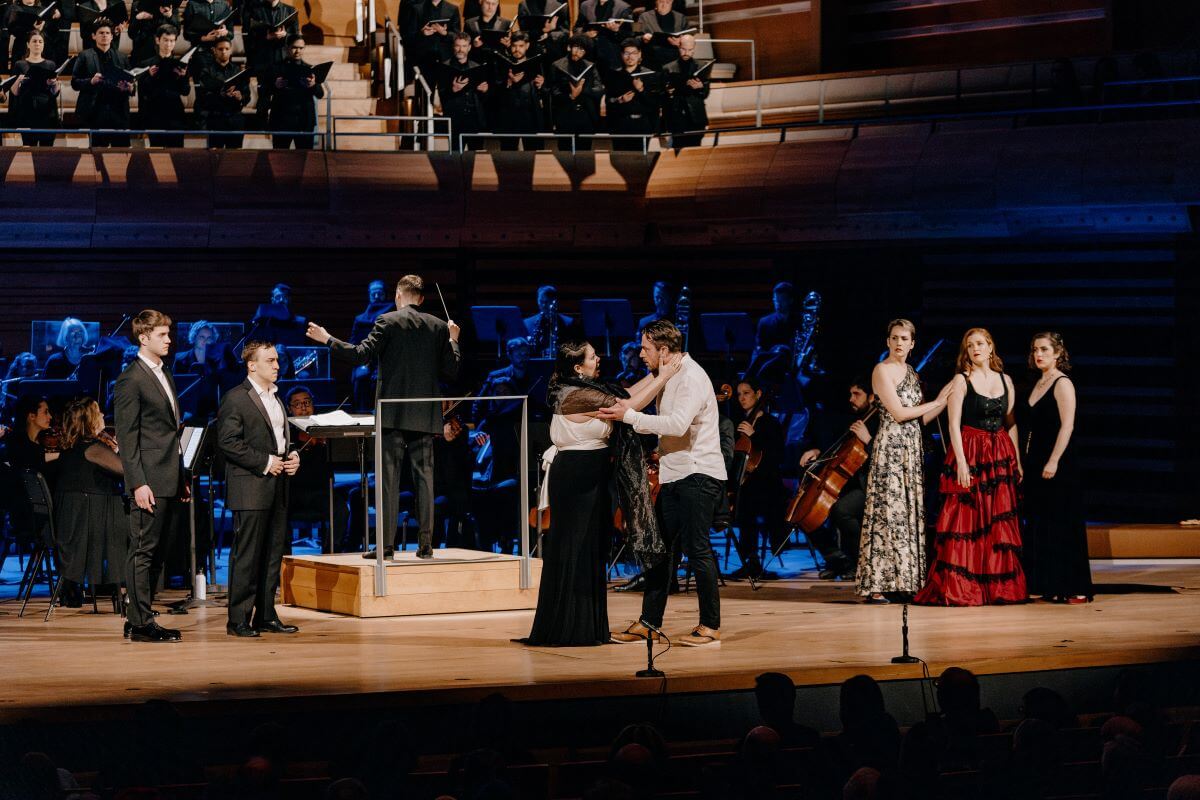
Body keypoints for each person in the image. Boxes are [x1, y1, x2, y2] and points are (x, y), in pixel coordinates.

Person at [524, 339, 676, 646]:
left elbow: (627, 394)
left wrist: (658, 370)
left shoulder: (581, 387)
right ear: (578, 367)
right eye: (593, 357)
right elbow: (628, 407)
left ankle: (587, 625)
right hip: (576, 478)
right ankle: (569, 627)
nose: (599, 360)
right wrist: (662, 377)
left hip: (591, 476)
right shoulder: (574, 394)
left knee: (591, 548)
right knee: (575, 547)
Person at [307, 274, 462, 559]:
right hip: (425, 416)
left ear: (398, 296)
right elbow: (451, 371)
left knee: (388, 481)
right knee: (425, 481)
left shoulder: (386, 321)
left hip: (392, 414)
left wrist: (327, 338)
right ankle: (426, 545)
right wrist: (453, 341)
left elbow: (360, 355)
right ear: (422, 299)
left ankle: (386, 547)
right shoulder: (439, 327)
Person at [601, 319, 727, 647]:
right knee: (662, 552)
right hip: (677, 474)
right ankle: (648, 622)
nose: (641, 353)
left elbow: (676, 424)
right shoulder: (668, 373)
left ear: (664, 350)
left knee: (698, 550)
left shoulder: (691, 377)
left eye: (645, 348)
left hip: (698, 474)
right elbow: (633, 401)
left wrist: (629, 419)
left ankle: (711, 627)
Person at [915, 327, 1026, 606]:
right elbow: (953, 424)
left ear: (990, 347)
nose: (975, 348)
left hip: (998, 452)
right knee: (967, 518)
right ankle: (965, 586)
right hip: (971, 450)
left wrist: (1017, 460)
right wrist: (962, 462)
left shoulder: (1006, 380)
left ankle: (999, 588)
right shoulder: (961, 380)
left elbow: (1010, 423)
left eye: (980, 343)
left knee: (996, 519)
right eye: (970, 345)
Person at [857, 319, 950, 603]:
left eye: (904, 338)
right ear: (888, 341)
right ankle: (877, 584)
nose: (899, 343)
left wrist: (946, 397)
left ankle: (904, 580)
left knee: (908, 513)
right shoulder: (881, 371)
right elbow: (898, 413)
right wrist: (935, 401)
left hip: (911, 448)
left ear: (912, 343)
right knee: (888, 512)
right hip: (891, 449)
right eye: (895, 338)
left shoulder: (910, 371)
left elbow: (920, 418)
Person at [217, 341, 302, 637]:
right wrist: (266, 462)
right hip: (251, 485)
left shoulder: (276, 398)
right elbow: (227, 442)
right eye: (271, 361)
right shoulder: (236, 398)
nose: (277, 365)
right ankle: (237, 618)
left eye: (277, 360)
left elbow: (280, 438)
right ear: (252, 365)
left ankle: (265, 615)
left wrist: (293, 456)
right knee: (248, 555)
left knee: (272, 553)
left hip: (277, 485)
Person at [113, 309, 184, 643]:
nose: (169, 340)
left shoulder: (163, 372)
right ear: (143, 338)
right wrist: (138, 482)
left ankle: (139, 616)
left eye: (169, 334)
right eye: (162, 335)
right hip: (149, 479)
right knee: (143, 550)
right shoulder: (131, 378)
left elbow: (168, 431)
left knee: (157, 552)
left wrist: (180, 475)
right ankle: (140, 622)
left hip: (168, 474)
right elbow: (128, 438)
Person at [1018, 332, 1092, 603]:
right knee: (1043, 523)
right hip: (1036, 459)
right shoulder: (1038, 383)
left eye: (1045, 350)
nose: (1039, 354)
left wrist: (1053, 460)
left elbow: (1067, 425)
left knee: (1064, 523)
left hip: (1060, 461)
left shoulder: (1062, 383)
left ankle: (1076, 587)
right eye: (1035, 349)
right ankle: (1050, 584)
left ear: (1058, 353)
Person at [52, 398, 126, 611]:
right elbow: (124, 470)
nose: (103, 415)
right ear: (90, 419)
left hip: (75, 521)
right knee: (137, 528)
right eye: (99, 412)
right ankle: (126, 592)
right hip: (91, 523)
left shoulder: (72, 447)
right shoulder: (92, 448)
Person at [801, 375, 878, 580]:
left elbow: (884, 457)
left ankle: (858, 562)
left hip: (870, 484)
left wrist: (868, 438)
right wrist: (818, 451)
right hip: (847, 482)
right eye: (850, 394)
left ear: (871, 397)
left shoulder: (879, 419)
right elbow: (837, 448)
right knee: (806, 511)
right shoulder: (851, 418)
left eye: (857, 394)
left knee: (841, 510)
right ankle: (838, 560)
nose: (851, 399)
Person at [728, 377, 787, 581]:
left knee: (748, 501)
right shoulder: (739, 423)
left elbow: (777, 456)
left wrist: (755, 436)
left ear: (759, 394)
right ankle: (749, 560)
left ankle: (752, 560)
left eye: (746, 393)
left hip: (768, 483)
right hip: (747, 483)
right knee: (744, 498)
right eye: (739, 394)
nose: (741, 398)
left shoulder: (770, 423)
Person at [71, 18, 136, 147]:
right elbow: (74, 82)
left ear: (112, 36)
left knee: (121, 153)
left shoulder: (122, 57)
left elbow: (132, 84)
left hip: (118, 111)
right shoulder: (85, 55)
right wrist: (91, 81)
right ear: (94, 36)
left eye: (107, 33)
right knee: (97, 154)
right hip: (95, 111)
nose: (104, 36)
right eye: (101, 33)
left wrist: (129, 88)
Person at [267, 35, 326, 150]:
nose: (297, 51)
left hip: (304, 120)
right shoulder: (275, 68)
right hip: (282, 120)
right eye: (294, 47)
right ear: (287, 48)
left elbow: (320, 94)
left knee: (304, 159)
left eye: (301, 48)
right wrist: (275, 85)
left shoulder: (309, 69)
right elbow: (264, 91)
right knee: (280, 159)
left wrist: (313, 85)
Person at [137, 24, 189, 147]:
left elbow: (185, 91)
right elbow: (142, 92)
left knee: (176, 154)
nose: (168, 44)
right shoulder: (146, 64)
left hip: (175, 116)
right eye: (165, 40)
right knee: (157, 156)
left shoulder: (181, 64)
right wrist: (149, 76)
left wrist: (182, 77)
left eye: (172, 41)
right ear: (157, 40)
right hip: (154, 116)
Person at [494, 31, 546, 151]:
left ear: (527, 46)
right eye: (514, 46)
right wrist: (508, 82)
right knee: (508, 154)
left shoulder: (536, 64)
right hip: (509, 117)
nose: (517, 49)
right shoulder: (503, 64)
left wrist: (541, 84)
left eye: (521, 46)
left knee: (534, 153)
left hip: (530, 115)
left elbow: (544, 90)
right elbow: (496, 91)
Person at [194, 38, 250, 148]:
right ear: (214, 50)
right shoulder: (206, 71)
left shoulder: (238, 71)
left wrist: (240, 97)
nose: (223, 51)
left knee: (234, 158)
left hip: (235, 119)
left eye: (226, 49)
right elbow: (202, 98)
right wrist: (221, 95)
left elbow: (247, 96)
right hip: (215, 119)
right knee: (215, 158)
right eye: (220, 49)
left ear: (231, 50)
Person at [438, 32, 490, 152]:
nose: (460, 49)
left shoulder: (476, 66)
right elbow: (441, 95)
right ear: (453, 47)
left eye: (464, 46)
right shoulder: (444, 67)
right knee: (455, 156)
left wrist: (485, 90)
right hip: (455, 119)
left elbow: (485, 98)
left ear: (470, 47)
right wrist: (453, 90)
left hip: (475, 120)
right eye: (457, 46)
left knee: (476, 157)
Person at [7, 30, 61, 147]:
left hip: (47, 113)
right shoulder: (20, 65)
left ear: (43, 44)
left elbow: (55, 93)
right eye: (34, 41)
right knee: (28, 149)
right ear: (28, 44)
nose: (37, 44)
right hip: (27, 112)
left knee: (46, 151)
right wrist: (18, 80)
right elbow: (14, 92)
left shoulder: (50, 64)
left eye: (40, 41)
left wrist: (55, 83)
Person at [549, 35, 603, 150]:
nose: (578, 52)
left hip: (585, 114)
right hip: (565, 114)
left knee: (584, 153)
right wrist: (571, 96)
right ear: (569, 47)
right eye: (576, 48)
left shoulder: (590, 66)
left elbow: (598, 89)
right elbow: (554, 90)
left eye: (582, 50)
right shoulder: (557, 65)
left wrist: (582, 90)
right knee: (565, 151)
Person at [604, 39, 658, 151]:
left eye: (633, 53)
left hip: (642, 126)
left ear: (639, 54)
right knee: (621, 160)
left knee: (640, 162)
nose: (630, 57)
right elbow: (608, 101)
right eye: (626, 53)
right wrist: (620, 100)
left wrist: (641, 89)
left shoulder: (649, 74)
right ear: (622, 55)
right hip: (620, 126)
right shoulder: (614, 75)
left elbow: (655, 102)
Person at [662, 34, 708, 148]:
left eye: (690, 50)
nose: (686, 53)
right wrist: (668, 92)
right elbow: (662, 93)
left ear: (694, 49)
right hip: (676, 115)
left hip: (696, 117)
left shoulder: (702, 66)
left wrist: (700, 87)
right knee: (677, 149)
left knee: (695, 150)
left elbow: (705, 93)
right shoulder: (668, 68)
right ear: (678, 47)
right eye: (683, 49)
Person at [575, 0, 633, 72]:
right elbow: (577, 28)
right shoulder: (586, 5)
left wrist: (616, 30)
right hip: (589, 46)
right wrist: (586, 34)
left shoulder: (623, 7)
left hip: (612, 48)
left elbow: (629, 34)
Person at [245, 0, 299, 77]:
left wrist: (286, 35)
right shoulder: (254, 11)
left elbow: (296, 38)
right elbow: (249, 38)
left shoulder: (290, 10)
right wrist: (266, 37)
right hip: (263, 59)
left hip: (284, 58)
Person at [635, 0, 687, 70]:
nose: (664, 5)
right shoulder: (643, 17)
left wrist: (680, 42)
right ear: (656, 2)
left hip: (674, 61)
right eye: (661, 2)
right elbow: (634, 38)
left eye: (667, 2)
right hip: (652, 61)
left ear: (672, 2)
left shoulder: (681, 18)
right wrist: (643, 38)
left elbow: (689, 39)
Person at [524, 285, 574, 356]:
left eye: (547, 302)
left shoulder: (569, 323)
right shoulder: (527, 323)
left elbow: (574, 349)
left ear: (555, 302)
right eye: (541, 302)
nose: (543, 305)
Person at [129, 0, 180, 66]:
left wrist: (170, 17)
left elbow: (177, 32)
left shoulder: (170, 5)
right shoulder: (137, 5)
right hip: (142, 52)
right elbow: (131, 34)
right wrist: (137, 19)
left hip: (163, 54)